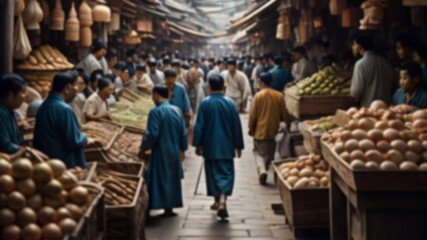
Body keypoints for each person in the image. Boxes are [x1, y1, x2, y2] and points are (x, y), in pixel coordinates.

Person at [192, 74, 244, 220]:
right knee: (226, 173)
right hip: (227, 147)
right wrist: (238, 145)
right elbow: (236, 126)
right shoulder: (230, 103)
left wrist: (197, 144)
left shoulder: (205, 103)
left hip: (210, 147)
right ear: (224, 87)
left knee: (213, 174)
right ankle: (222, 200)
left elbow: (199, 126)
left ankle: (217, 200)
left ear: (209, 87)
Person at [139, 85, 187, 217]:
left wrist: (144, 147)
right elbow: (183, 132)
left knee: (157, 177)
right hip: (174, 149)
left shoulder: (155, 112)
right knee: (172, 178)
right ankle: (169, 208)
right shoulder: (177, 110)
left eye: (152, 95)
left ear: (156, 95)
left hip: (160, 150)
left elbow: (152, 134)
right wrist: (183, 149)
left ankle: (154, 205)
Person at [34, 72, 91, 168]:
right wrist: (85, 138)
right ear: (67, 88)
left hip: (46, 160)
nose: (77, 91)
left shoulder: (44, 105)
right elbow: (73, 140)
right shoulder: (64, 109)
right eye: (75, 86)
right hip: (61, 163)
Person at [249, 73, 290, 185]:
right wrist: (288, 126)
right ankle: (264, 170)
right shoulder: (279, 95)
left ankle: (262, 171)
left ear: (261, 82)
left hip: (259, 131)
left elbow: (253, 115)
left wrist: (251, 128)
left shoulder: (258, 96)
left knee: (258, 153)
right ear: (271, 82)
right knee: (269, 155)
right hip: (273, 131)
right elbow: (285, 114)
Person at [350, 35, 395, 107]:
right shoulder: (385, 62)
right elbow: (392, 85)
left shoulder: (360, 64)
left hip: (368, 110)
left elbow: (355, 92)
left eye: (354, 44)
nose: (352, 47)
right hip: (386, 109)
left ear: (360, 47)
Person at [0, 74, 27, 157]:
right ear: (10, 96)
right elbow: (5, 145)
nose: (24, 97)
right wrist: (26, 151)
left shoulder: (13, 113)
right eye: (23, 92)